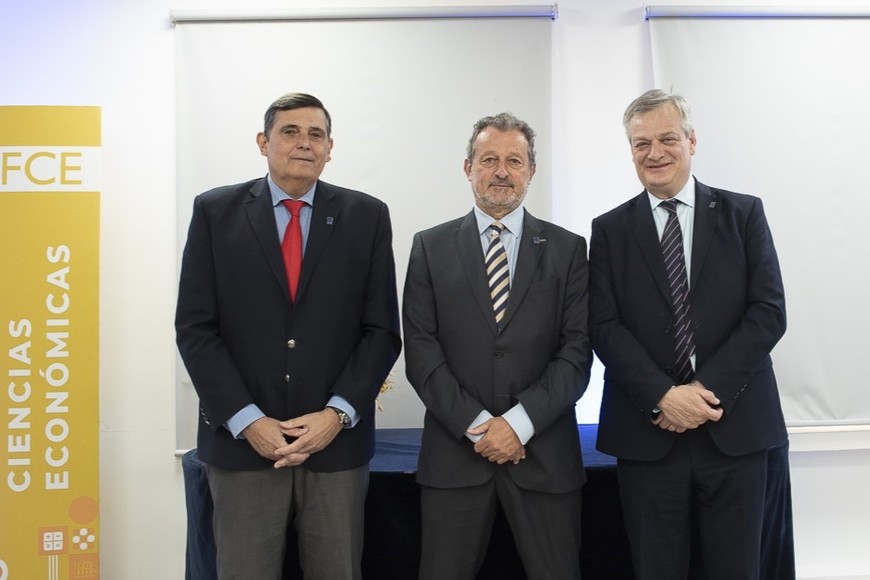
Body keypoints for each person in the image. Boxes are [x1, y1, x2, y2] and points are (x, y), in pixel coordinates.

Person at [175, 92, 401, 580]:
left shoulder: (367, 216)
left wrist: (336, 415)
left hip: (334, 447)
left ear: (330, 147)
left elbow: (381, 331)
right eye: (290, 132)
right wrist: (248, 420)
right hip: (242, 447)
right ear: (263, 142)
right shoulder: (216, 212)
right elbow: (195, 328)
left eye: (315, 134)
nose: (304, 143)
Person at [589, 89, 788, 580]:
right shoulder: (609, 229)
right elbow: (602, 326)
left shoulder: (744, 214)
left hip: (735, 428)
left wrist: (700, 392)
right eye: (641, 144)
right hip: (647, 433)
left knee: (737, 568)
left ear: (692, 141)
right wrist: (663, 396)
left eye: (666, 139)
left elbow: (768, 312)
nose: (654, 153)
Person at [403, 112, 592, 580]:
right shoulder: (430, 247)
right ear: (468, 167)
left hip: (545, 457)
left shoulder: (569, 250)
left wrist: (518, 424)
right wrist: (480, 427)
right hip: (454, 459)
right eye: (489, 159)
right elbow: (422, 353)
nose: (502, 171)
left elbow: (576, 353)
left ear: (532, 170)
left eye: (515, 160)